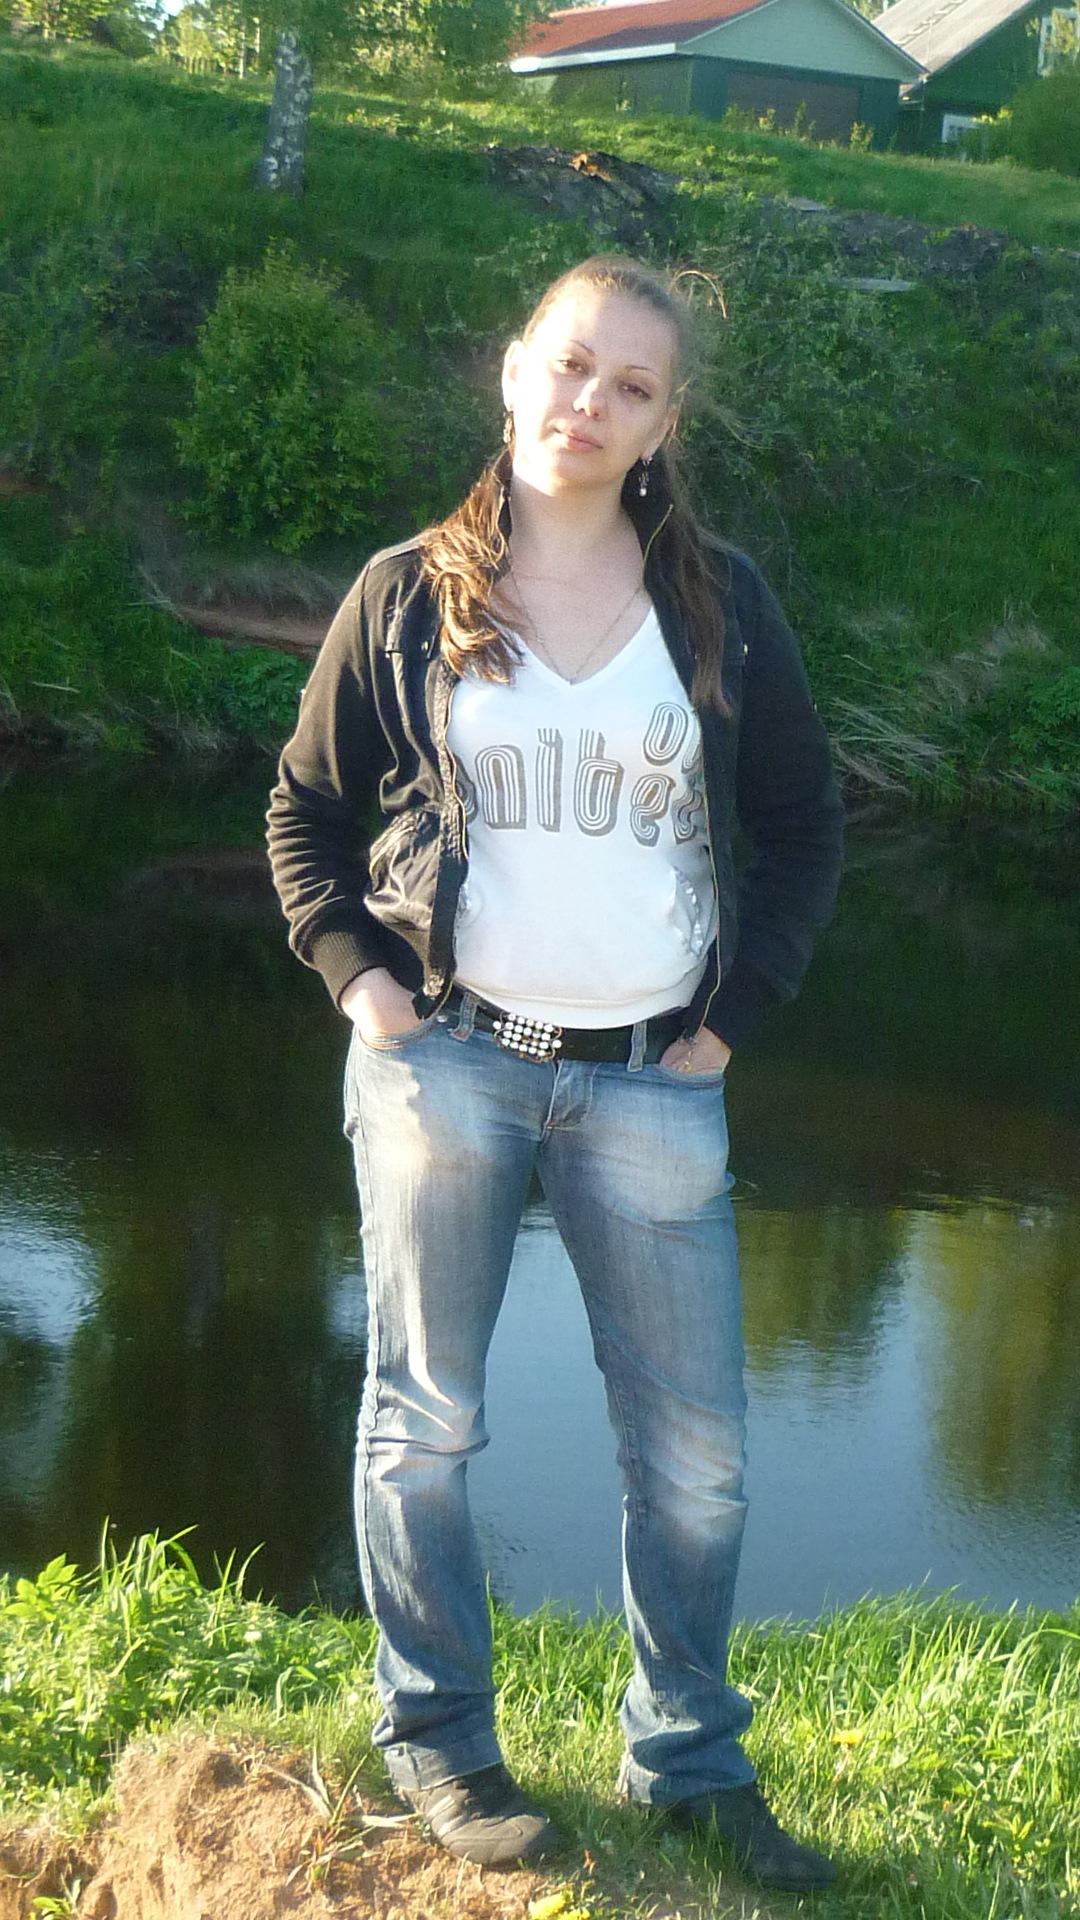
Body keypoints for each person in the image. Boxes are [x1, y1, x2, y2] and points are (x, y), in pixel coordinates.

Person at [267, 254, 844, 1893]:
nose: (591, 403)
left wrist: (733, 1013)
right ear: (513, 369)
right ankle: (444, 1748)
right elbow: (306, 811)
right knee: (425, 1424)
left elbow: (804, 823)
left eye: (632, 387)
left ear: (666, 424)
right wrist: (362, 982)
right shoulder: (407, 594)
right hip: (447, 1066)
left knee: (696, 1455)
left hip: (655, 1079)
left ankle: (690, 1762)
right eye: (571, 364)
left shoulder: (719, 604)